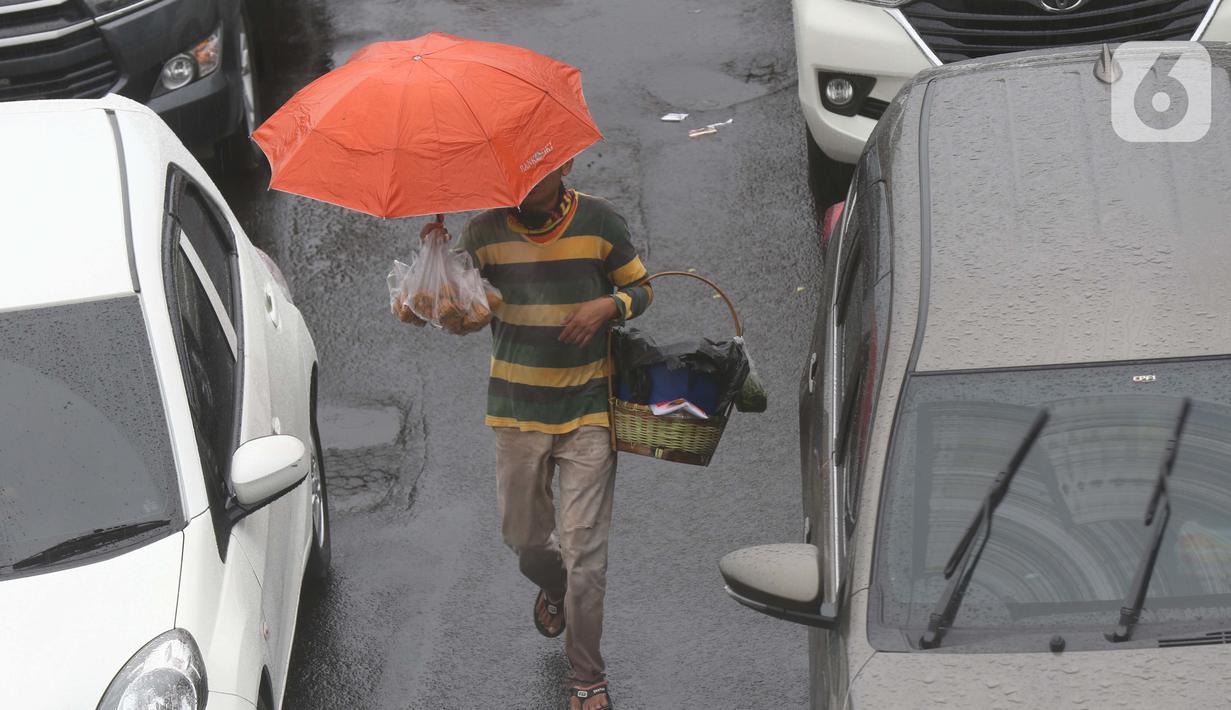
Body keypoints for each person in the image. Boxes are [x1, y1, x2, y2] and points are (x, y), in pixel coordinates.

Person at [419, 157, 651, 710]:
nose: (525, 183)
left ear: (564, 165)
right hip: (517, 412)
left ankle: (587, 677)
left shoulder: (601, 223)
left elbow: (642, 289)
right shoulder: (482, 233)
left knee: (586, 557)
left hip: (589, 410)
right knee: (525, 544)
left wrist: (608, 306)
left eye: (538, 170)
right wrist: (437, 263)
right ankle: (552, 587)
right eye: (516, 172)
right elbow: (455, 312)